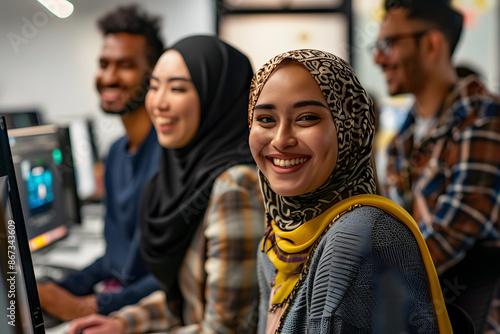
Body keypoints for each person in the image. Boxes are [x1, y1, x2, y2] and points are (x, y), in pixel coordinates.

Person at [68, 35, 265, 334]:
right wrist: (121, 324)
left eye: (177, 88)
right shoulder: (185, 178)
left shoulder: (236, 186)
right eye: (154, 86)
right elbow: (184, 299)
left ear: (218, 97)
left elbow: (226, 328)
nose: (158, 102)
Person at [247, 49, 453, 333]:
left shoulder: (355, 236)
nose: (281, 140)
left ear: (351, 128)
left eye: (307, 118)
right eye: (266, 119)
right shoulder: (277, 241)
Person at [372, 0, 500, 331]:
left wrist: (370, 276)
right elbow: (393, 227)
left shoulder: (483, 117)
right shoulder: (405, 135)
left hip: (479, 318)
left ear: (431, 44)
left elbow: (456, 226)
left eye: (388, 43)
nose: (378, 58)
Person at [37, 4, 164, 321]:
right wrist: (55, 289)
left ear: (153, 73)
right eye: (103, 64)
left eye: (125, 65)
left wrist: (92, 307)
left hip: (143, 314)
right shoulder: (116, 153)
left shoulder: (171, 157)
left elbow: (171, 272)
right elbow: (115, 258)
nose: (109, 77)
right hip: (116, 298)